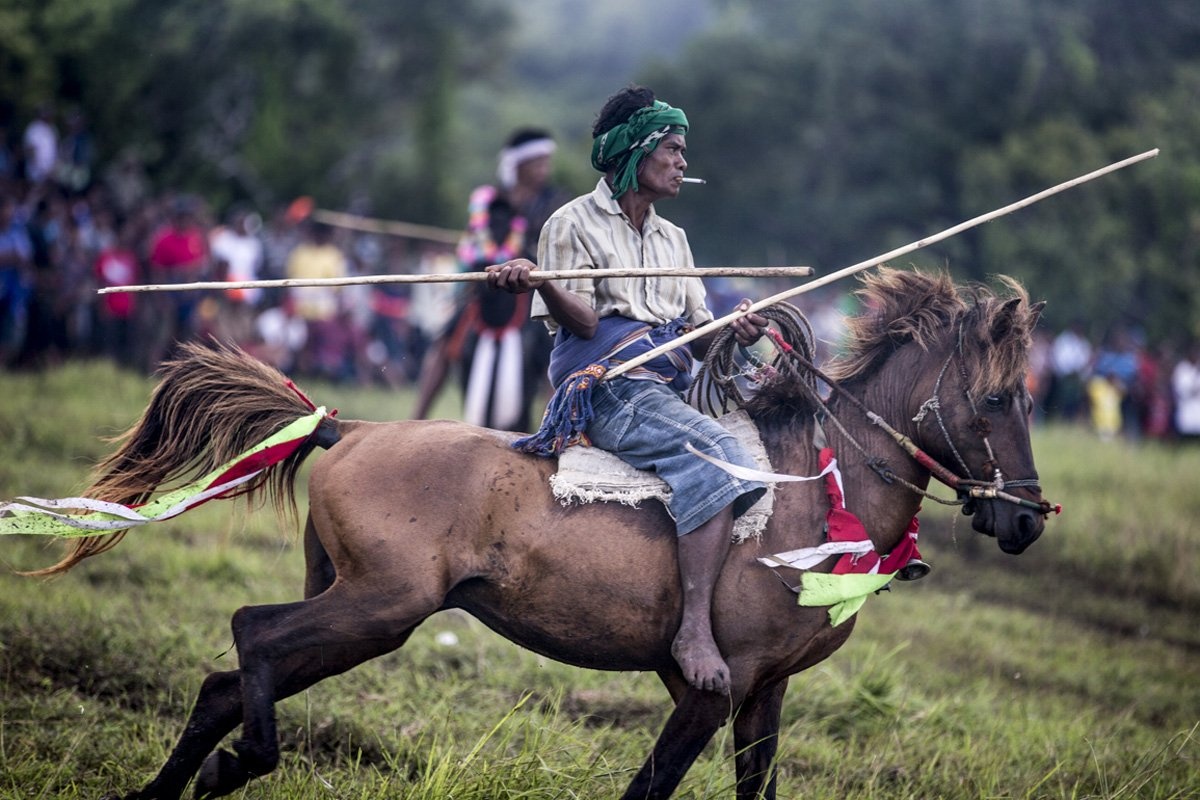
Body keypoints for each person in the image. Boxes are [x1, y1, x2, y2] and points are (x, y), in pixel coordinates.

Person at [486, 86, 769, 695]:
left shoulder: (676, 241)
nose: (683, 161)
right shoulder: (569, 223)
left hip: (667, 383)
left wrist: (737, 329)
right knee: (721, 460)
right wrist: (538, 283)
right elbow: (584, 323)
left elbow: (697, 340)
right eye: (672, 148)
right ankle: (693, 629)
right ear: (635, 152)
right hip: (608, 387)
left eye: (683, 150)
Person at [412, 128, 569, 430]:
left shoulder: (555, 202)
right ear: (519, 165)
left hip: (535, 293)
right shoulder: (489, 199)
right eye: (538, 162)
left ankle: (553, 429)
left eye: (547, 162)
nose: (544, 169)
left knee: (557, 352)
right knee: (445, 341)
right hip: (486, 291)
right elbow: (478, 248)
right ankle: (415, 416)